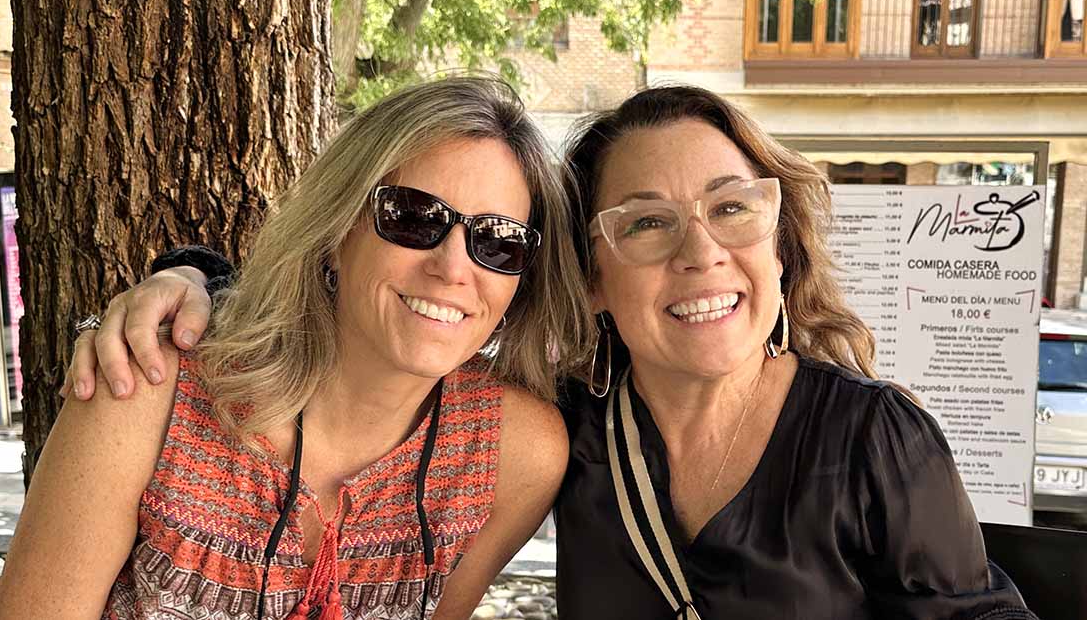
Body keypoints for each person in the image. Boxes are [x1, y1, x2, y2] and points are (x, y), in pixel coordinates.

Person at [67, 85, 1033, 619]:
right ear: (593, 278)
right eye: (645, 222)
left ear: (778, 245)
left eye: (732, 208)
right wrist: (196, 281)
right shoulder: (567, 428)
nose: (701, 252)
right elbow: (378, 325)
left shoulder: (874, 440)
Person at [0, 77, 592, 619]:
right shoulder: (147, 385)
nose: (454, 267)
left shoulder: (512, 454)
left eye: (500, 241)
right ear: (336, 231)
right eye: (412, 217)